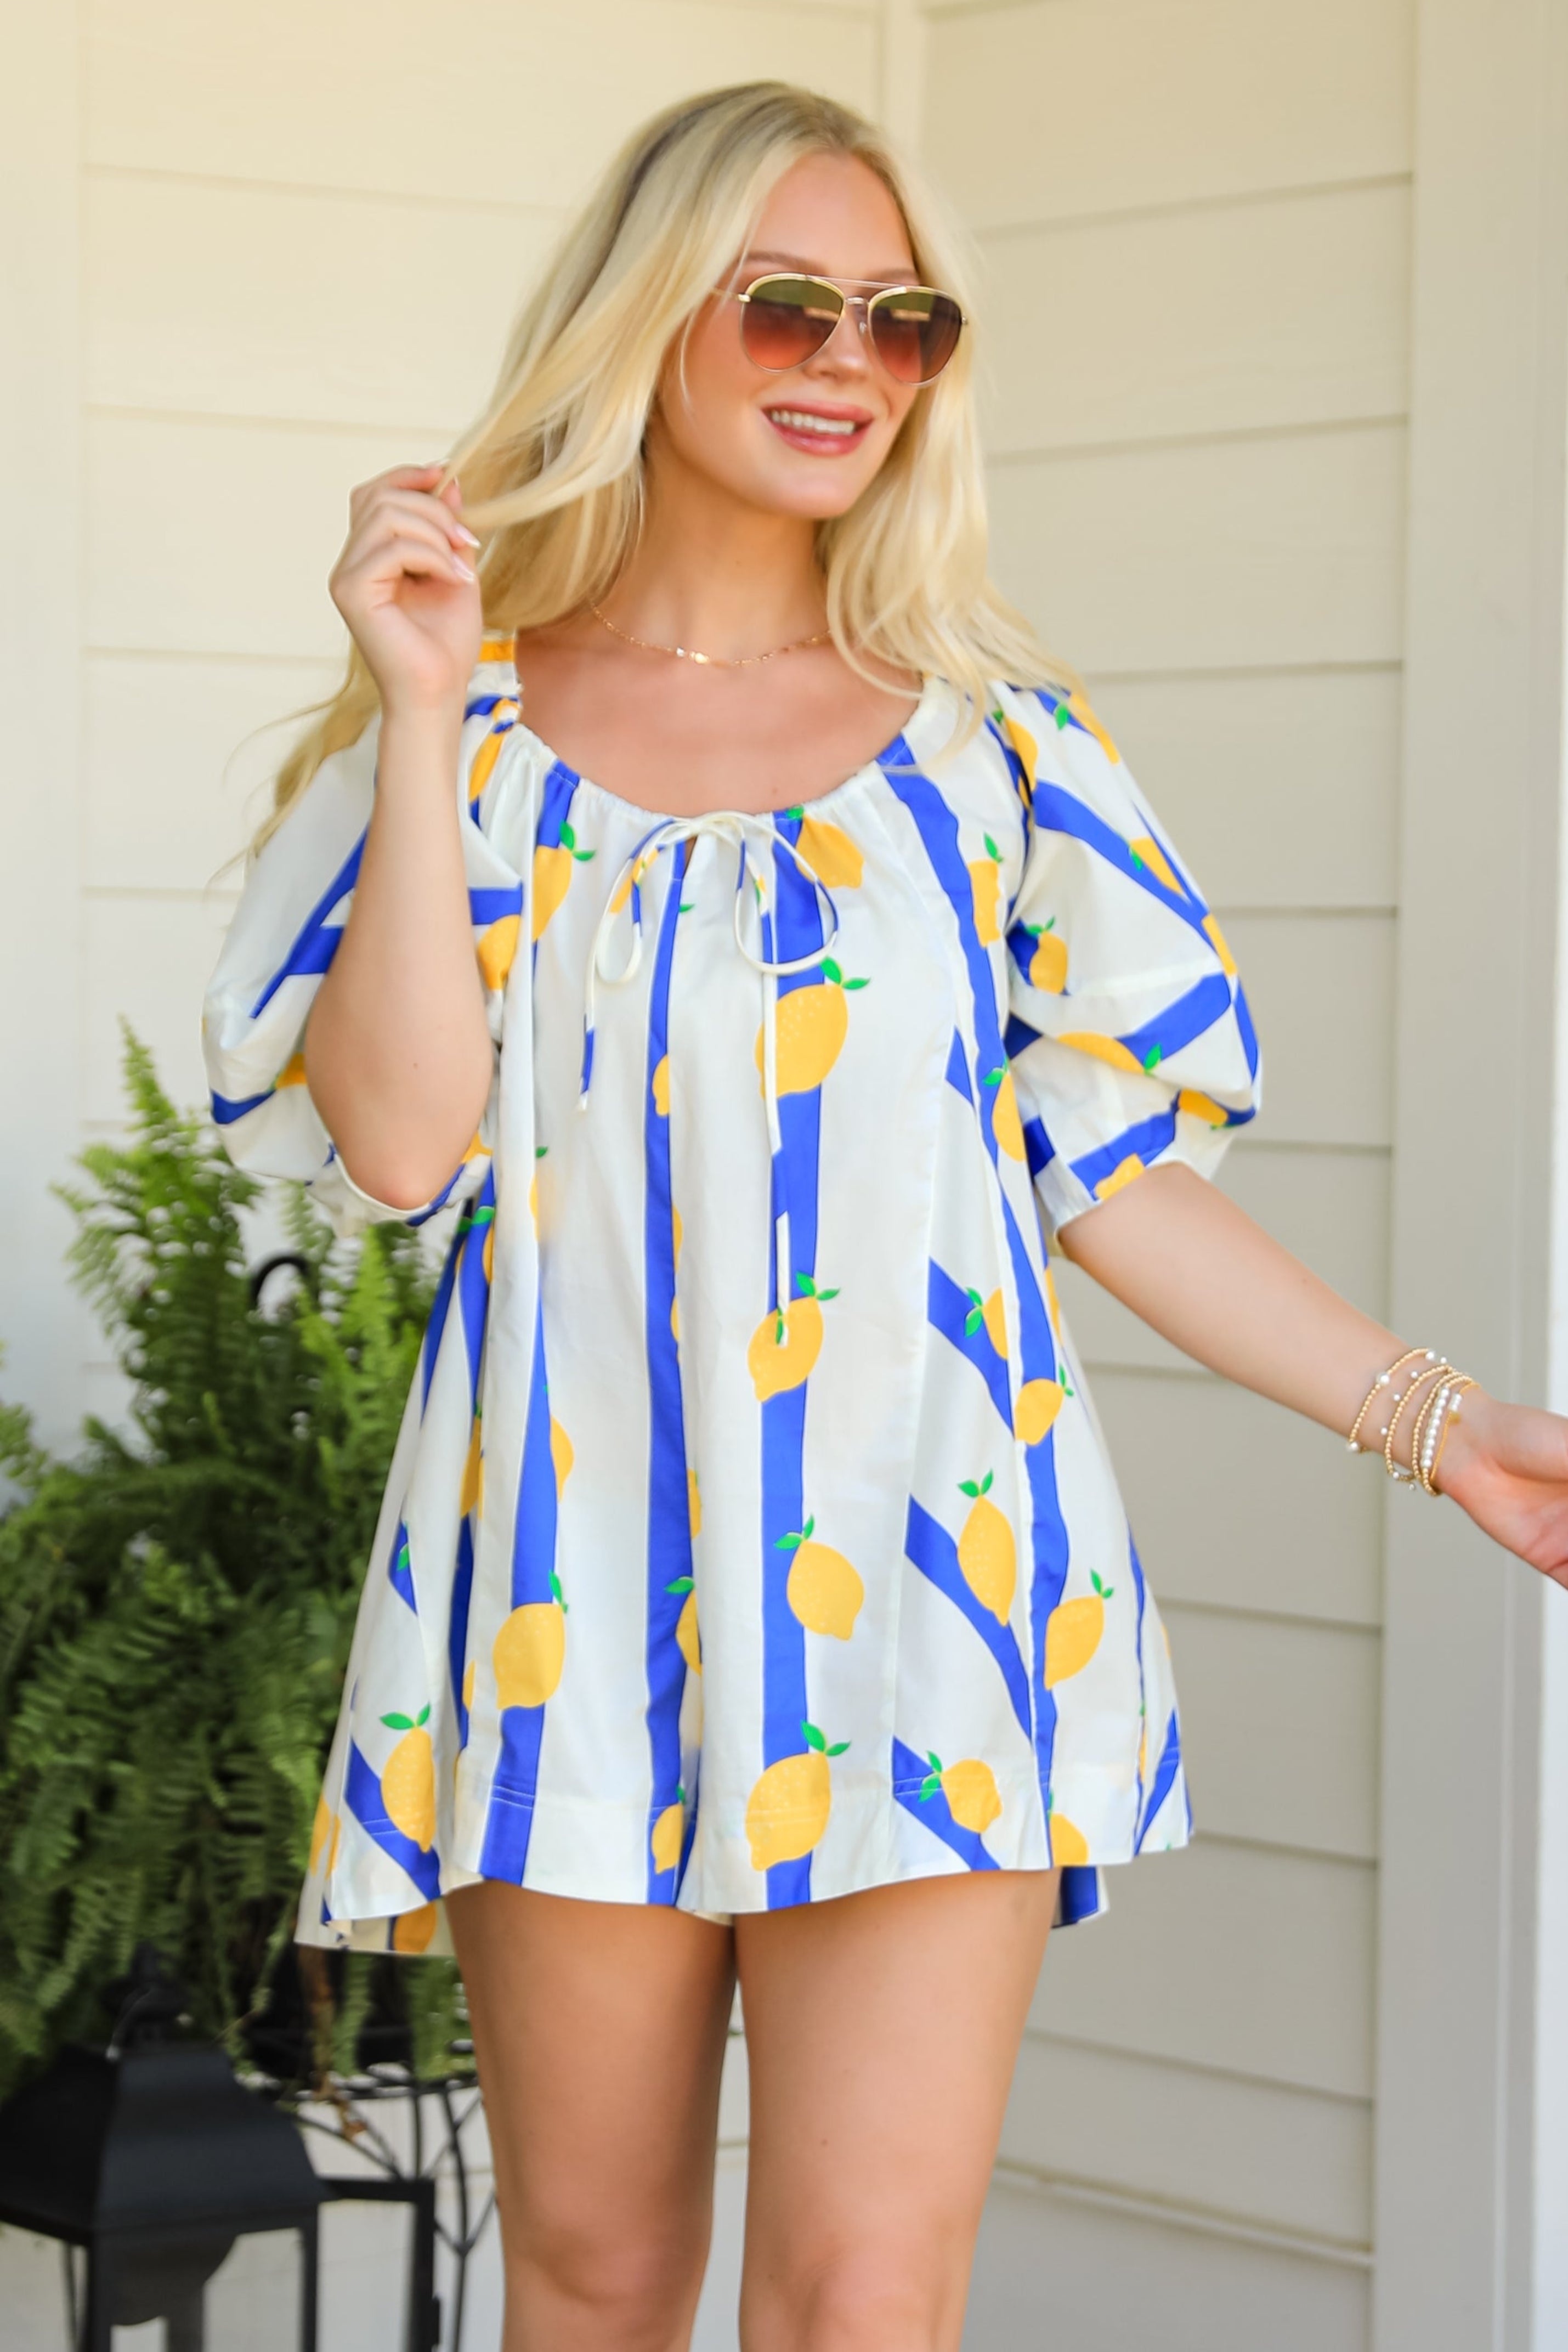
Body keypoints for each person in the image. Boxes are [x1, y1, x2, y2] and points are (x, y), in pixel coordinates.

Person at [201, 80, 1568, 2352]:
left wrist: (1441, 1421)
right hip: (565, 1595)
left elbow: (1108, 1171)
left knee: (859, 2304)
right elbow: (399, 1147)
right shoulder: (463, 733)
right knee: (596, 2279)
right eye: (790, 307)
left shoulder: (994, 747)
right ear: (648, 323)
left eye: (905, 319)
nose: (851, 361)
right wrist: (430, 707)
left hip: (935, 1589)